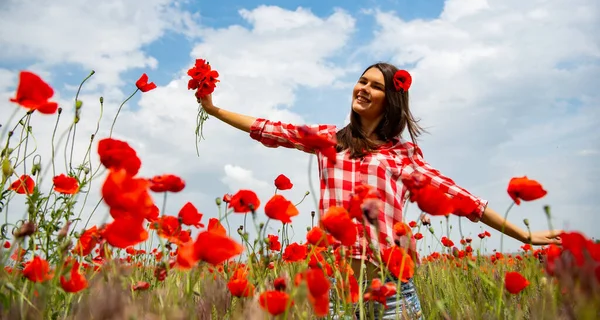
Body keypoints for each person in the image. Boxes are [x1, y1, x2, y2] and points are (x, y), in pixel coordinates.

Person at [198, 62, 561, 319]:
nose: (364, 89)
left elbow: (463, 199)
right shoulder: (330, 140)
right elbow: (269, 128)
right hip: (339, 297)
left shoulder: (403, 156)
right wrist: (213, 111)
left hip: (390, 295)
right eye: (361, 81)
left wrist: (523, 234)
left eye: (375, 86)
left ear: (390, 101)